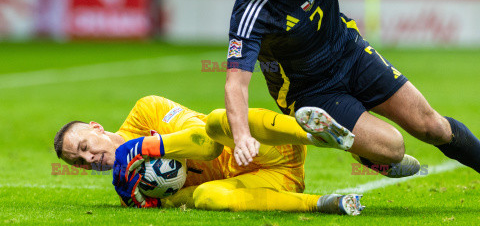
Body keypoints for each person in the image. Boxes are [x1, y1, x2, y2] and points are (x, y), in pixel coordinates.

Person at [224, 0, 480, 176]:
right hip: (311, 91)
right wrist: (242, 137)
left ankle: (356, 143)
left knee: (433, 127)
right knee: (394, 148)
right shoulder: (251, 10)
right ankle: (365, 152)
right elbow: (235, 83)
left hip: (352, 54)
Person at [53, 95, 364, 215]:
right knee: (206, 197)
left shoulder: (147, 111)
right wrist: (161, 202)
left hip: (264, 146)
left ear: (96, 127)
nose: (90, 159)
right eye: (80, 162)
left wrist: (142, 148)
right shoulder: (129, 190)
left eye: (84, 147)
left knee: (218, 120)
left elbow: (207, 143)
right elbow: (183, 199)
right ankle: (326, 203)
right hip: (274, 181)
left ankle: (315, 135)